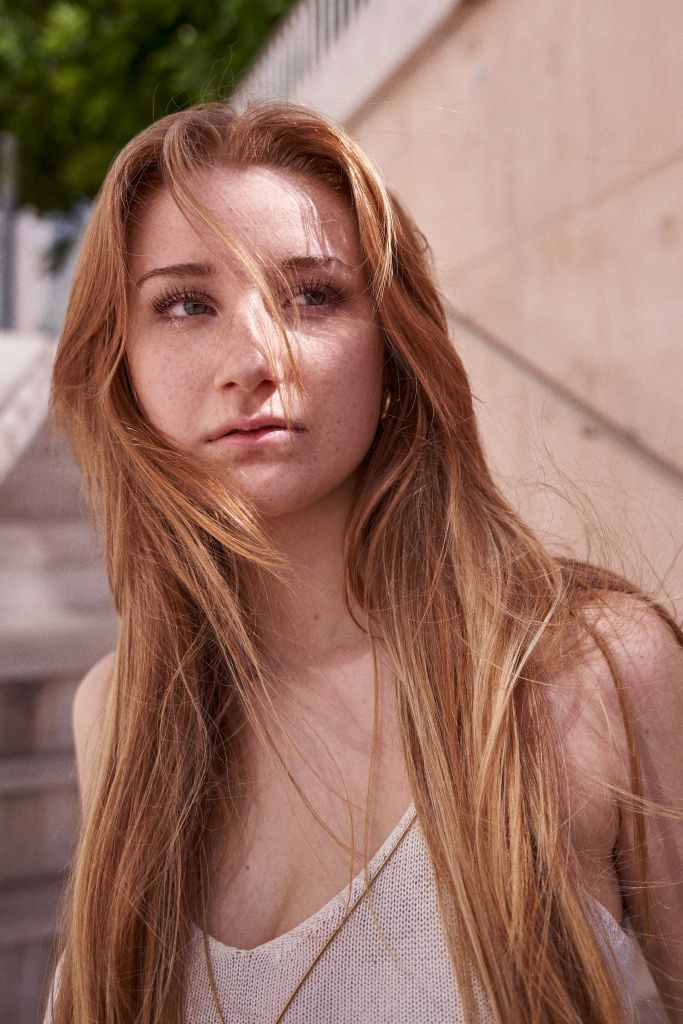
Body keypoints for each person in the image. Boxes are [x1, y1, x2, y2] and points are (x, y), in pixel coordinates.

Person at [47, 101, 682, 1024]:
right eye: (186, 304)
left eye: (313, 295)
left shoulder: (589, 670)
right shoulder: (112, 711)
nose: (254, 359)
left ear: (390, 346)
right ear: (121, 368)